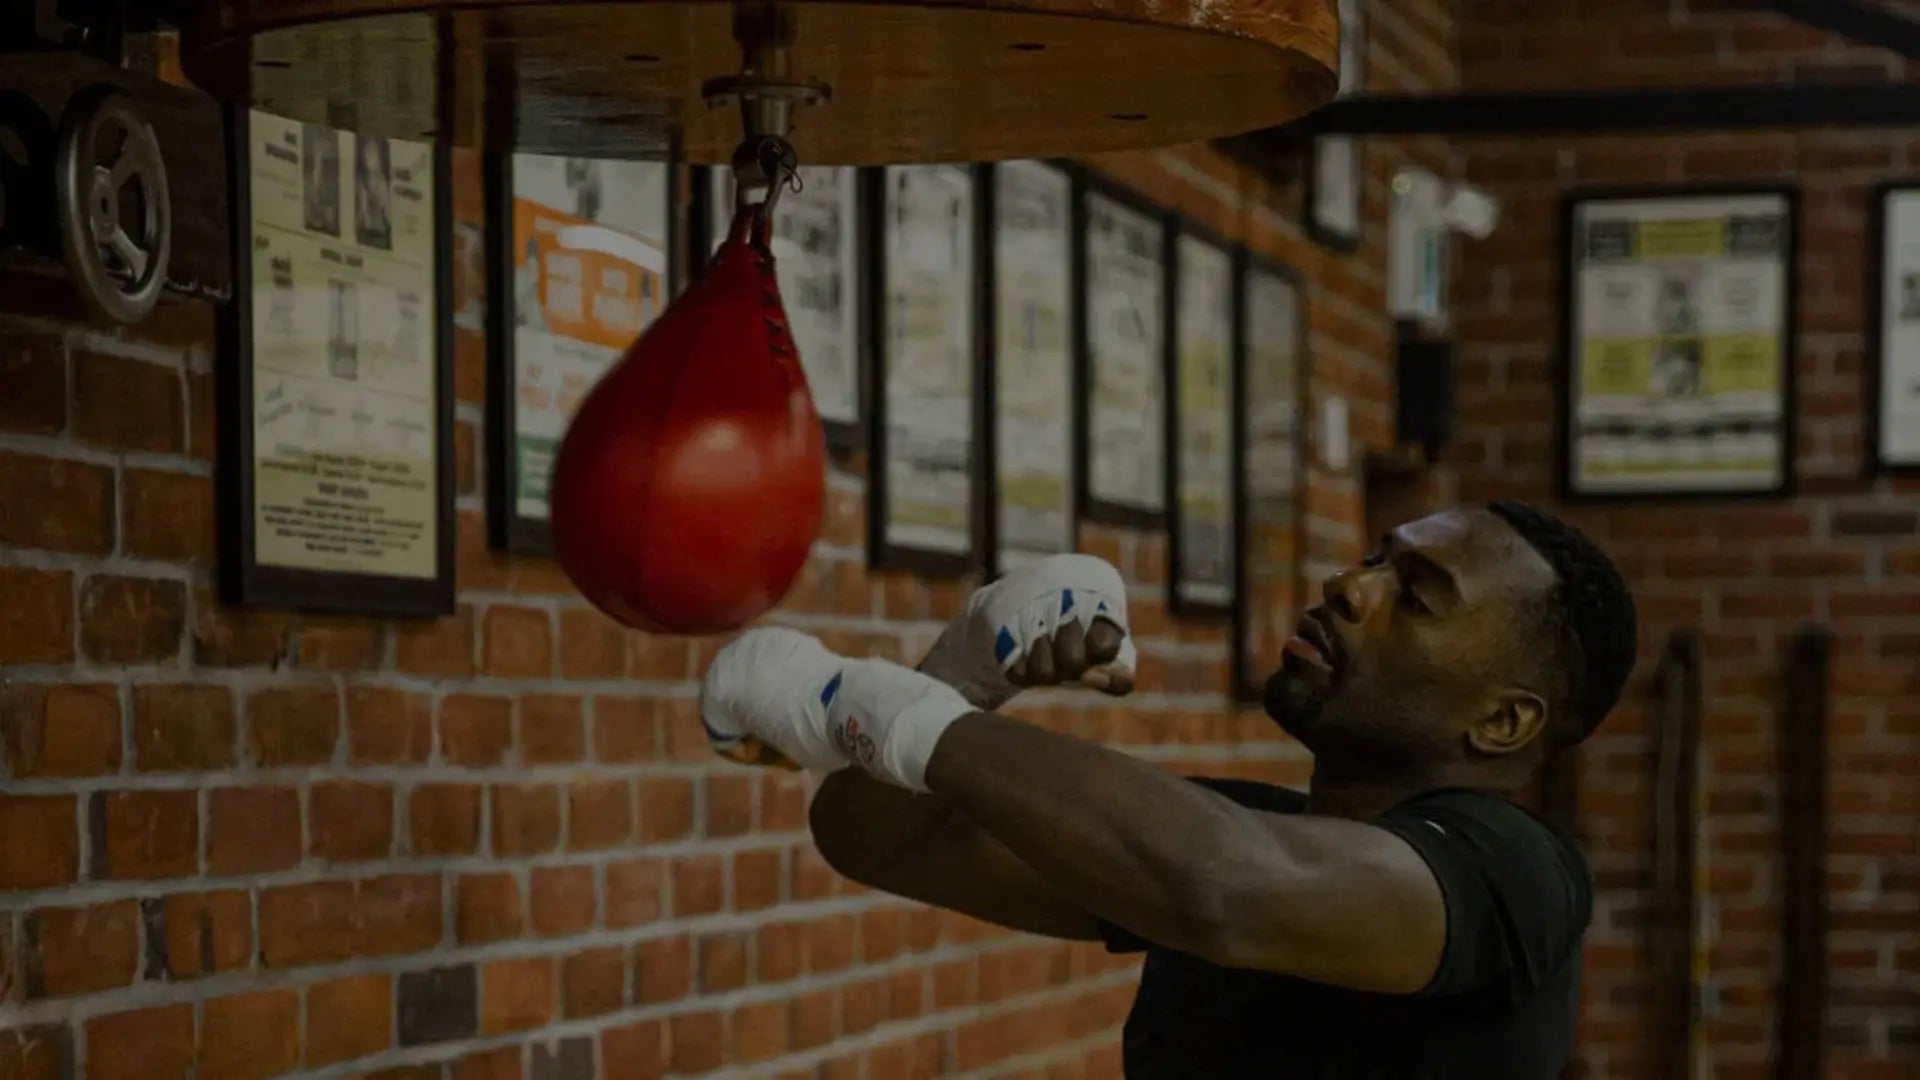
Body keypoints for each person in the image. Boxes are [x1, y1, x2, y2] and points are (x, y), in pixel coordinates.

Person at [701, 500, 1638, 1078]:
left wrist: (864, 701)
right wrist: (964, 671)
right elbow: (877, 838)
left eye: (1418, 595)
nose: (1350, 586)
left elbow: (1228, 888)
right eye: (1377, 560)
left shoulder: (1515, 872)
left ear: (1503, 723)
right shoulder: (1241, 834)